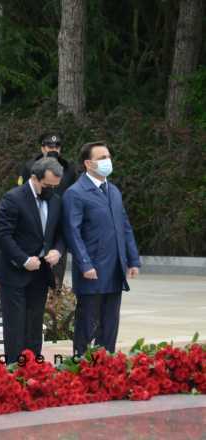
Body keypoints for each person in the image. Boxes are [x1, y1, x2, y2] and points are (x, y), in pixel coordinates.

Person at [62, 141, 140, 356]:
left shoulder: (113, 191)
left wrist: (133, 260)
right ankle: (82, 365)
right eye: (102, 158)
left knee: (110, 322)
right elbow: (72, 232)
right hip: (92, 270)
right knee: (88, 322)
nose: (108, 161)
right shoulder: (75, 193)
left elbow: (124, 227)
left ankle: (107, 368)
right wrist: (84, 263)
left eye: (108, 156)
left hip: (114, 268)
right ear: (88, 163)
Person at [0, 158, 65, 364]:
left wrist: (57, 251)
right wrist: (23, 260)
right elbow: (2, 235)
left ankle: (33, 368)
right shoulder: (13, 198)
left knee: (35, 325)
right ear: (34, 178)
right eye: (47, 185)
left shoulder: (55, 200)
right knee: (15, 326)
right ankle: (14, 370)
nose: (51, 190)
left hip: (41, 273)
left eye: (55, 186)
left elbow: (61, 233)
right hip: (14, 272)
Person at [18, 132, 77, 288]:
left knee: (56, 275)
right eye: (49, 146)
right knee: (34, 276)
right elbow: (21, 194)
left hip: (58, 225)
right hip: (35, 225)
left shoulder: (68, 168)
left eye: (57, 146)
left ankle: (55, 301)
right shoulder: (30, 166)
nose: (53, 149)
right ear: (42, 147)